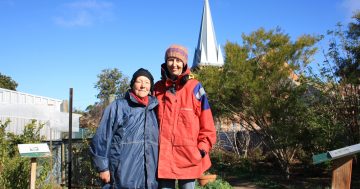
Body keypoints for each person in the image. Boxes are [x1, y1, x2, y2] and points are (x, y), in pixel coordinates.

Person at [154, 44, 217, 189]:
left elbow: (207, 124)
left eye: (178, 60)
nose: (174, 64)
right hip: (163, 158)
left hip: (189, 158)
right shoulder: (157, 88)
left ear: (184, 63)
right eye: (170, 60)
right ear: (165, 62)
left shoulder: (195, 87)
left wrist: (201, 150)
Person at [90, 68, 159, 189]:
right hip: (123, 177)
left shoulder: (155, 110)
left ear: (151, 87)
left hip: (151, 180)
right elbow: (102, 136)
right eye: (139, 81)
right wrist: (103, 167)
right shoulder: (118, 106)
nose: (143, 86)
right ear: (132, 84)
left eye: (147, 82)